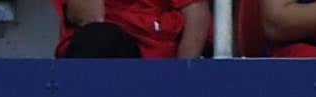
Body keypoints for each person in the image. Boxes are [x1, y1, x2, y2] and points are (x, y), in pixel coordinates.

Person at [53, 0, 212, 58]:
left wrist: (180, 79)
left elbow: (197, 14)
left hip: (156, 64)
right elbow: (87, 18)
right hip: (103, 49)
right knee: (97, 39)